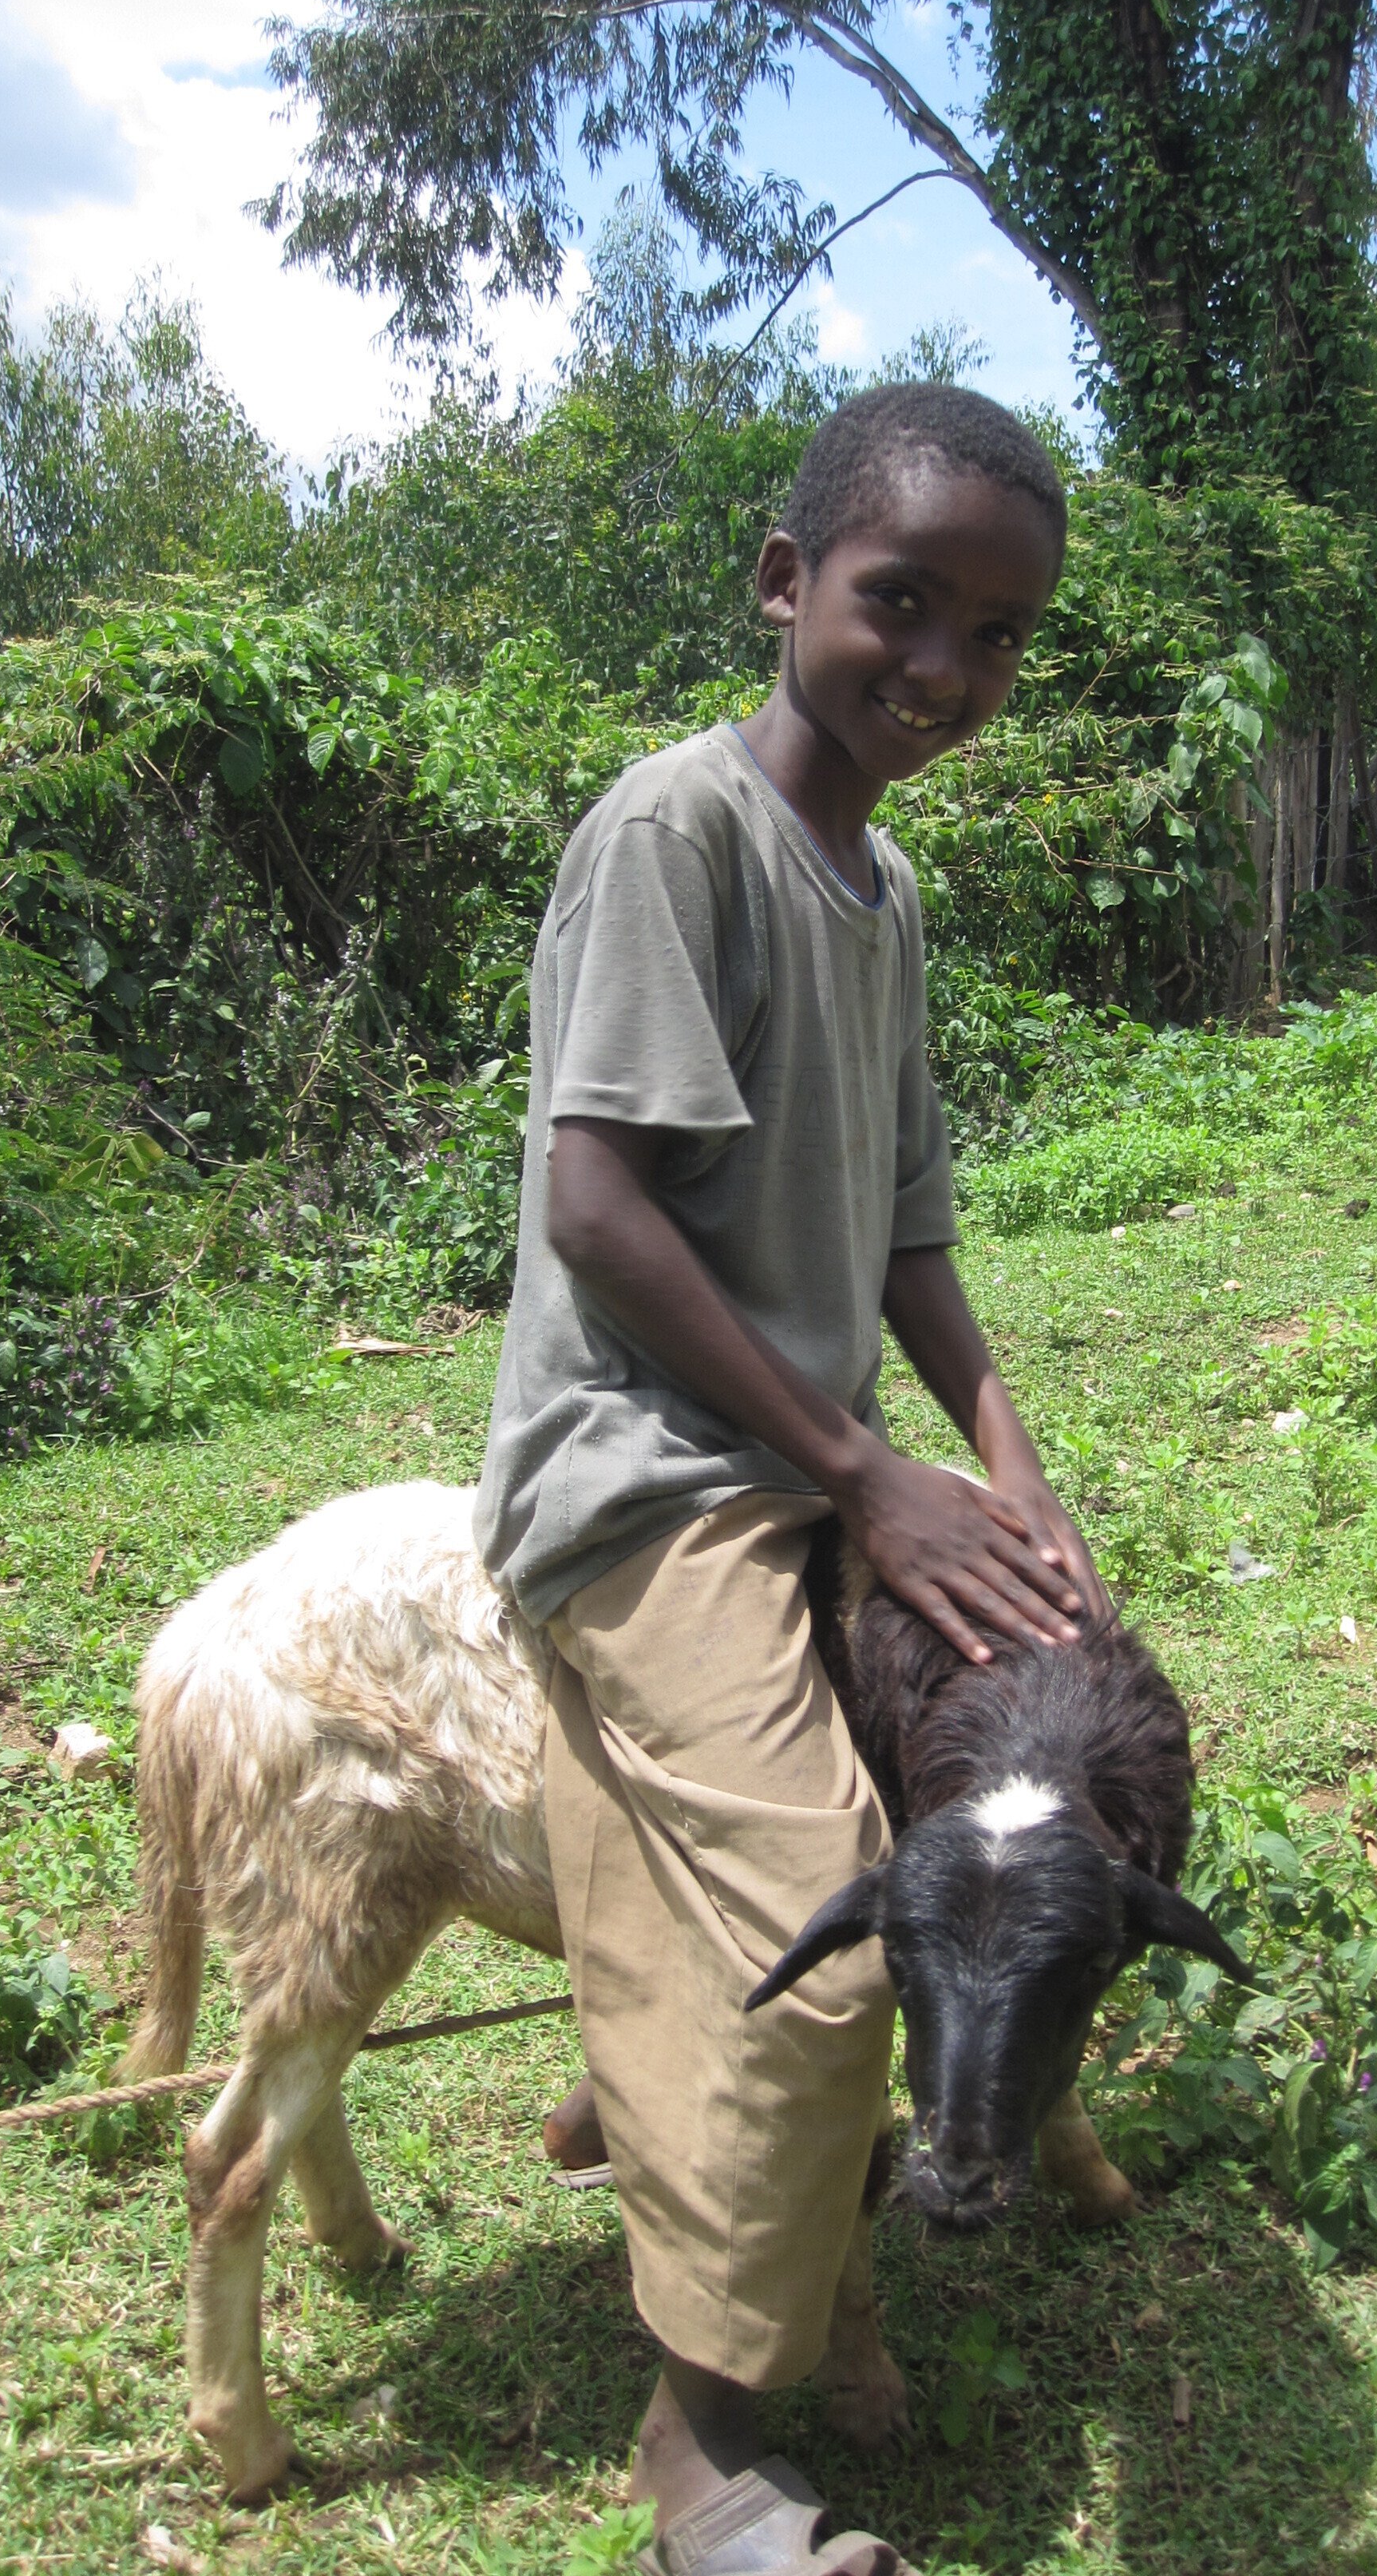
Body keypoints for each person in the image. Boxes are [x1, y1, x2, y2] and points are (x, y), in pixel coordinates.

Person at [473, 382, 1106, 2576]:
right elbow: (598, 1207)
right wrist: (860, 1471)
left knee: (1018, 1768)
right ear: (784, 581)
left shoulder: (883, 887)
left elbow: (911, 1233)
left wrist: (1005, 1470)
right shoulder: (680, 834)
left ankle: (659, 2102)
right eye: (899, 604)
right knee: (842, 1946)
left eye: (995, 635)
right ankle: (698, 2456)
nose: (941, 668)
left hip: (813, 1468)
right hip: (651, 1474)